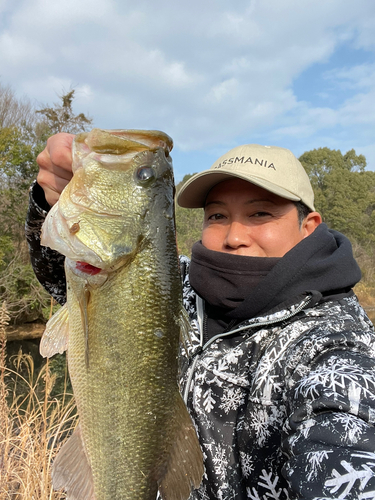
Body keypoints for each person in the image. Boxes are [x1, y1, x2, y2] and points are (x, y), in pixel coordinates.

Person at [25, 134, 375, 500]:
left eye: (260, 213)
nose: (235, 235)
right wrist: (50, 201)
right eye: (218, 215)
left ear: (309, 226)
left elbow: (349, 454)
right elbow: (65, 277)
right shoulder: (175, 286)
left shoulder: (337, 345)